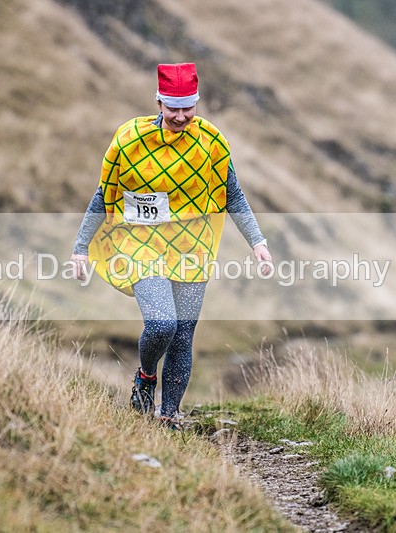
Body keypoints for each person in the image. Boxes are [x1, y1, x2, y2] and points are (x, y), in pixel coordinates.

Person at [70, 63, 272, 427]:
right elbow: (104, 195)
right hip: (141, 245)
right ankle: (146, 375)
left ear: (197, 103)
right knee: (162, 324)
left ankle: (168, 416)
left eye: (188, 108)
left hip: (192, 248)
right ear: (159, 103)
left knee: (183, 334)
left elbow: (233, 195)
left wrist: (257, 242)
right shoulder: (130, 141)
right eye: (173, 108)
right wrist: (81, 246)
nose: (180, 116)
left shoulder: (210, 143)